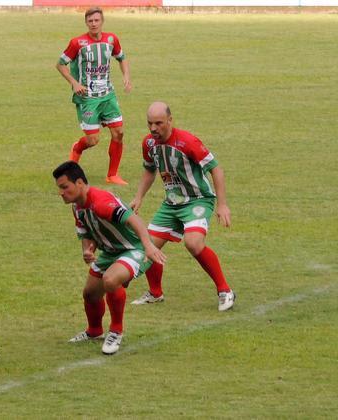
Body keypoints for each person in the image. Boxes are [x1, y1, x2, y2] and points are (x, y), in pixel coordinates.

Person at [130, 102, 235, 311]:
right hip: (172, 204)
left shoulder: (188, 141)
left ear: (170, 120)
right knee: (147, 246)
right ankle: (155, 293)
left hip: (197, 200)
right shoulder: (149, 144)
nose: (153, 129)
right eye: (149, 124)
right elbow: (149, 170)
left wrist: (222, 205)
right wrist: (139, 196)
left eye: (158, 123)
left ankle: (225, 290)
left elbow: (216, 169)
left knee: (194, 243)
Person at [53, 161, 166, 355]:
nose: (61, 192)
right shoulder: (77, 207)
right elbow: (86, 231)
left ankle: (115, 331)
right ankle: (94, 331)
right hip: (110, 252)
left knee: (110, 280)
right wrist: (87, 250)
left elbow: (134, 219)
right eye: (59, 188)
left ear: (79, 183)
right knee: (90, 293)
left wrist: (148, 246)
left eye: (65, 187)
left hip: (133, 248)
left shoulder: (102, 202)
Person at [56, 7, 132, 186]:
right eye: (90, 21)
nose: (94, 24)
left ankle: (112, 175)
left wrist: (126, 76)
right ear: (86, 23)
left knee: (119, 132)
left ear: (102, 21)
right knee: (93, 140)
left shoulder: (111, 39)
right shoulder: (77, 43)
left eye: (97, 20)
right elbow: (60, 64)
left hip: (107, 95)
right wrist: (74, 83)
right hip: (87, 98)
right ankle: (77, 148)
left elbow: (122, 58)